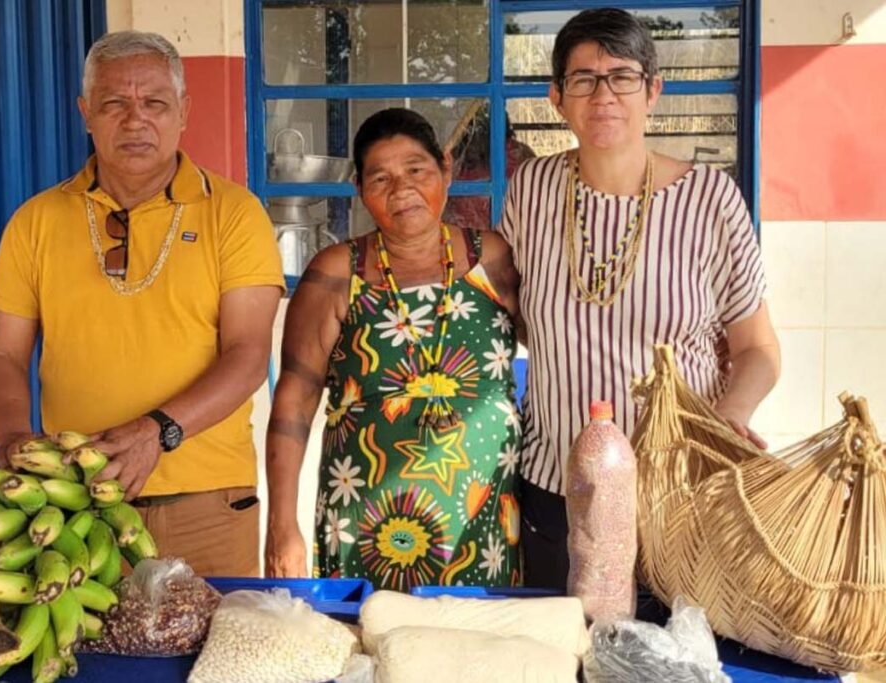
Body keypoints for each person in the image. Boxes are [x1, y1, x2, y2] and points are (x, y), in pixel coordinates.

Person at [0, 31, 284, 577]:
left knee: (211, 659)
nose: (135, 119)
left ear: (184, 111)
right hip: (75, 501)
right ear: (85, 113)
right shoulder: (36, 221)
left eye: (155, 103)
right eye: (114, 103)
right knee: (86, 659)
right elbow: (2, 355)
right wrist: (11, 437)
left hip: (208, 503)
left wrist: (156, 432)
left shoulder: (234, 213)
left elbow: (246, 355)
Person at [498, 9, 781, 590]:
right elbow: (524, 320)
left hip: (677, 491)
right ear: (557, 97)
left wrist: (728, 416)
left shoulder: (711, 199)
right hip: (557, 486)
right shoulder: (530, 189)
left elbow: (758, 348)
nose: (603, 94)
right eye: (583, 78)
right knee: (567, 661)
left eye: (622, 76)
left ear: (653, 91)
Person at [264, 108, 523, 591]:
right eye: (380, 178)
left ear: (445, 169)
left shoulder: (492, 257)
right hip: (365, 518)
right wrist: (282, 527)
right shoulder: (336, 272)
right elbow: (293, 403)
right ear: (360, 188)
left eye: (416, 170)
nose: (401, 189)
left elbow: (557, 339)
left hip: (482, 513)